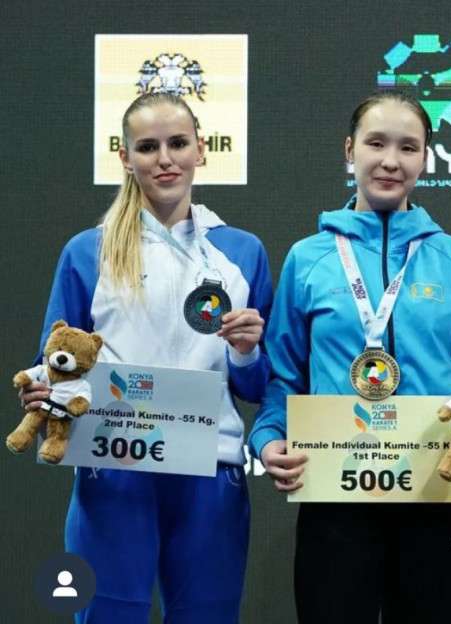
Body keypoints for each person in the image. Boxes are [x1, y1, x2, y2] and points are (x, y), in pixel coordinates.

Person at [248, 90, 451, 624]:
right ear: (349, 150)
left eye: (408, 147)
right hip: (336, 490)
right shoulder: (308, 258)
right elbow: (284, 376)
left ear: (425, 159)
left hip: (435, 489)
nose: (390, 161)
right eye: (376, 143)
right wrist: (267, 438)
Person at [18, 92, 272, 623]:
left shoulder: (242, 251)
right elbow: (56, 360)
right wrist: (42, 389)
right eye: (148, 147)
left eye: (178, 143)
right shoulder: (88, 250)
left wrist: (247, 353)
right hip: (114, 465)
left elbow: (255, 388)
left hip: (211, 468)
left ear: (202, 149)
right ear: (125, 157)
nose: (165, 159)